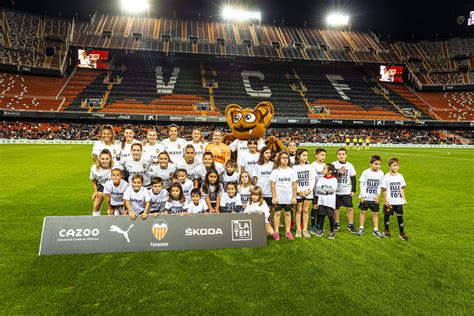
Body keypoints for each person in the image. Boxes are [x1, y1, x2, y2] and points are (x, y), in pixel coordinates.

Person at [270, 151, 297, 241]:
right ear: (279, 159)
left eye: (286, 157)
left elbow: (294, 185)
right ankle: (276, 232)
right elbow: (273, 185)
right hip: (278, 197)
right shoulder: (276, 171)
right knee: (277, 213)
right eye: (283, 158)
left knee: (288, 213)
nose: (285, 159)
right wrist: (274, 197)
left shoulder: (292, 171)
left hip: (288, 197)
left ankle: (288, 231)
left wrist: (294, 197)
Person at [357, 155, 385, 238]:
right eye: (376, 164)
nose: (378, 166)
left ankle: (376, 230)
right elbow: (362, 184)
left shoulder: (381, 173)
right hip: (365, 197)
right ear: (371, 164)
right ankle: (361, 228)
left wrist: (378, 195)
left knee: (375, 213)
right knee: (363, 212)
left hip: (374, 198)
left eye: (379, 164)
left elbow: (380, 184)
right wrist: (363, 195)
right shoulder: (366, 172)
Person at [381, 158, 408, 241]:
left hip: (398, 201)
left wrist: (404, 198)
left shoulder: (400, 176)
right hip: (390, 201)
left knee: (400, 216)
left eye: (397, 165)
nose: (396, 167)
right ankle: (386, 230)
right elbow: (384, 189)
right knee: (387, 215)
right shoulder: (386, 176)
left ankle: (402, 233)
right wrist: (385, 200)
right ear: (389, 166)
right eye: (394, 165)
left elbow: (402, 189)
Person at [332, 148, 357, 233]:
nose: (341, 156)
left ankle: (351, 225)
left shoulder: (350, 165)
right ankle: (336, 223)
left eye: (343, 154)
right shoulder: (333, 164)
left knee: (350, 208)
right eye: (339, 154)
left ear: (346, 155)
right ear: (337, 155)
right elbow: (331, 176)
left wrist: (353, 190)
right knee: (336, 208)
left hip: (346, 191)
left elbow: (353, 178)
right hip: (336, 191)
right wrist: (338, 172)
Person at [293, 148, 316, 238]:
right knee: (298, 210)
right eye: (303, 155)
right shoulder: (294, 168)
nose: (306, 157)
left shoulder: (310, 167)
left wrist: (310, 190)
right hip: (299, 192)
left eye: (307, 155)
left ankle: (305, 229)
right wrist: (298, 191)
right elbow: (294, 181)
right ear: (298, 156)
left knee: (306, 210)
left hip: (308, 193)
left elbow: (313, 179)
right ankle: (298, 229)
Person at [89, 149, 118, 216]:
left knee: (112, 210)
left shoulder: (116, 166)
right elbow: (92, 179)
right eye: (102, 159)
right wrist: (95, 191)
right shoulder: (94, 168)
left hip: (113, 187)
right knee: (96, 206)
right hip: (101, 186)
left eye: (107, 159)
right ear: (99, 159)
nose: (104, 161)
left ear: (110, 158)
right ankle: (96, 223)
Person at [315, 164, 338, 239]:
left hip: (330, 202)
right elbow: (318, 189)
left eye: (324, 168)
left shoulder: (334, 179)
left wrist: (323, 188)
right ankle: (320, 229)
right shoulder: (321, 179)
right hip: (322, 201)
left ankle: (332, 231)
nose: (323, 169)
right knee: (321, 216)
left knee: (331, 217)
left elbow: (332, 190)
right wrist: (326, 192)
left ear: (330, 171)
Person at [310, 148, 326, 234]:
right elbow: (311, 178)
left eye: (324, 155)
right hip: (315, 190)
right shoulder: (312, 165)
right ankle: (312, 225)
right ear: (316, 155)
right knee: (315, 207)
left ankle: (319, 224)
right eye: (322, 155)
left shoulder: (325, 165)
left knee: (321, 208)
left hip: (322, 191)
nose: (324, 157)